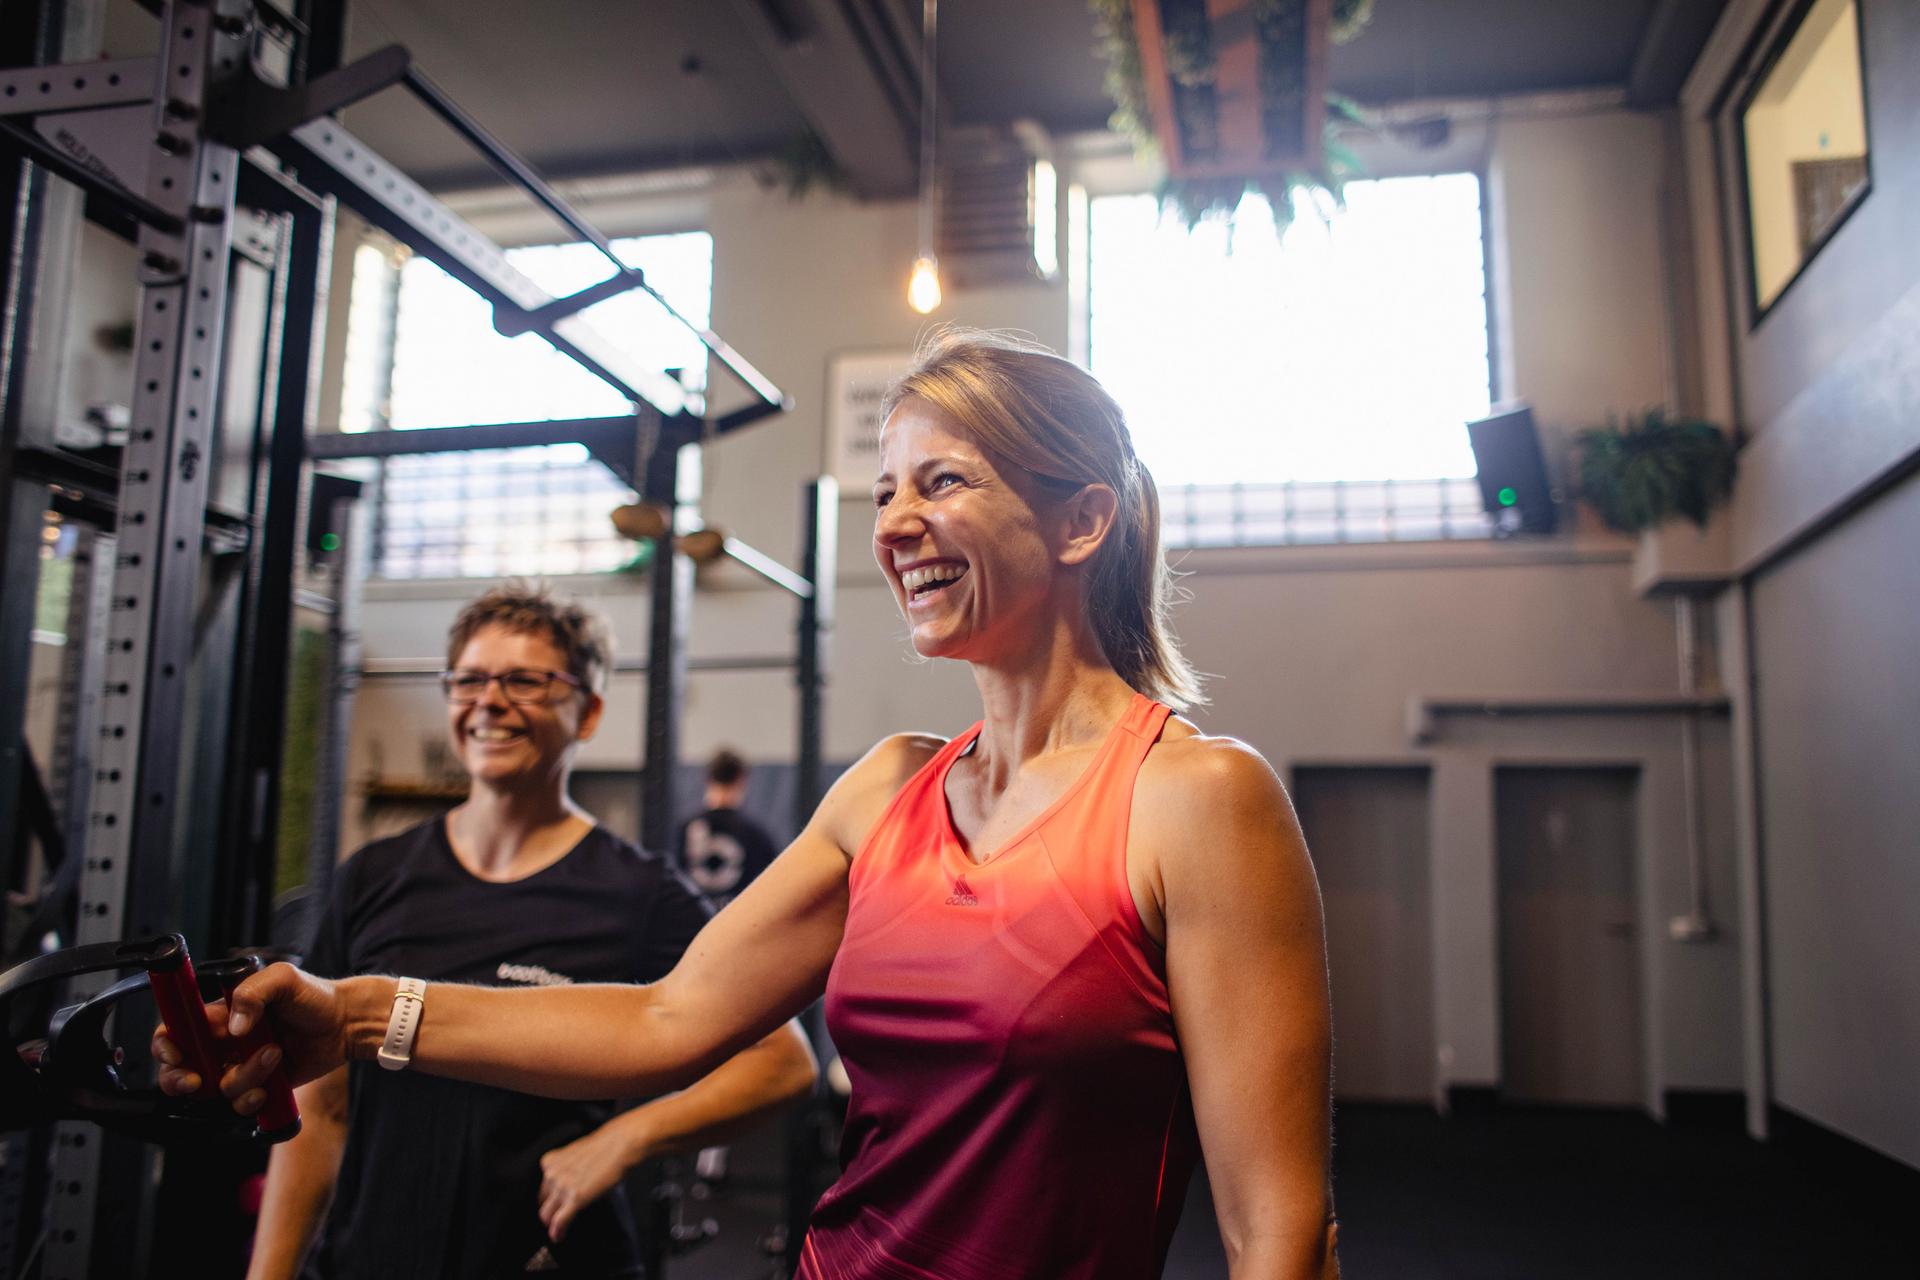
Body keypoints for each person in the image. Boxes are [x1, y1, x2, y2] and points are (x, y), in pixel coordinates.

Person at [163, 331, 1339, 1280]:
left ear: (1081, 520)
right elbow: (663, 1020)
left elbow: (1279, 1232)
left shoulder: (1197, 799)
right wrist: (359, 1011)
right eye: (885, 491)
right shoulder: (887, 789)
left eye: (943, 481)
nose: (892, 524)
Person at [247, 585, 816, 1280]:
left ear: (590, 711)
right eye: (470, 680)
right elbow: (322, 1108)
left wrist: (628, 1137)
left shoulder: (640, 895)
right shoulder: (372, 877)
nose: (490, 701)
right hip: (371, 1257)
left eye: (525, 681)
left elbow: (782, 1060)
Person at [676, 749, 777, 912]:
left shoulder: (686, 827)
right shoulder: (755, 833)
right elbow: (771, 886)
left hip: (694, 923)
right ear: (742, 781)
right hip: (739, 923)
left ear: (707, 779)